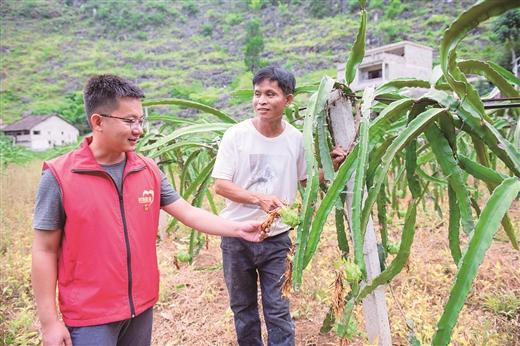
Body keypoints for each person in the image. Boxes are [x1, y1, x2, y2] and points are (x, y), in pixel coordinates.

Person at [31, 74, 263, 346]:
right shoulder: (59, 176)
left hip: (140, 308)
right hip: (89, 317)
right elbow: (44, 250)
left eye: (140, 120)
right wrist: (49, 323)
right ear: (98, 121)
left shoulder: (147, 169)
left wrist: (238, 228)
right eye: (129, 121)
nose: (138, 129)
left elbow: (187, 212)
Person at [212, 66, 345, 346]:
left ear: (288, 99)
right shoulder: (235, 136)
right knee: (243, 308)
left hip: (276, 238)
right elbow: (221, 185)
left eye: (270, 94)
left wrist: (330, 166)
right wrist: (258, 199)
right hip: (237, 236)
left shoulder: (296, 139)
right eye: (257, 93)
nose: (261, 100)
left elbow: (305, 177)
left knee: (278, 308)